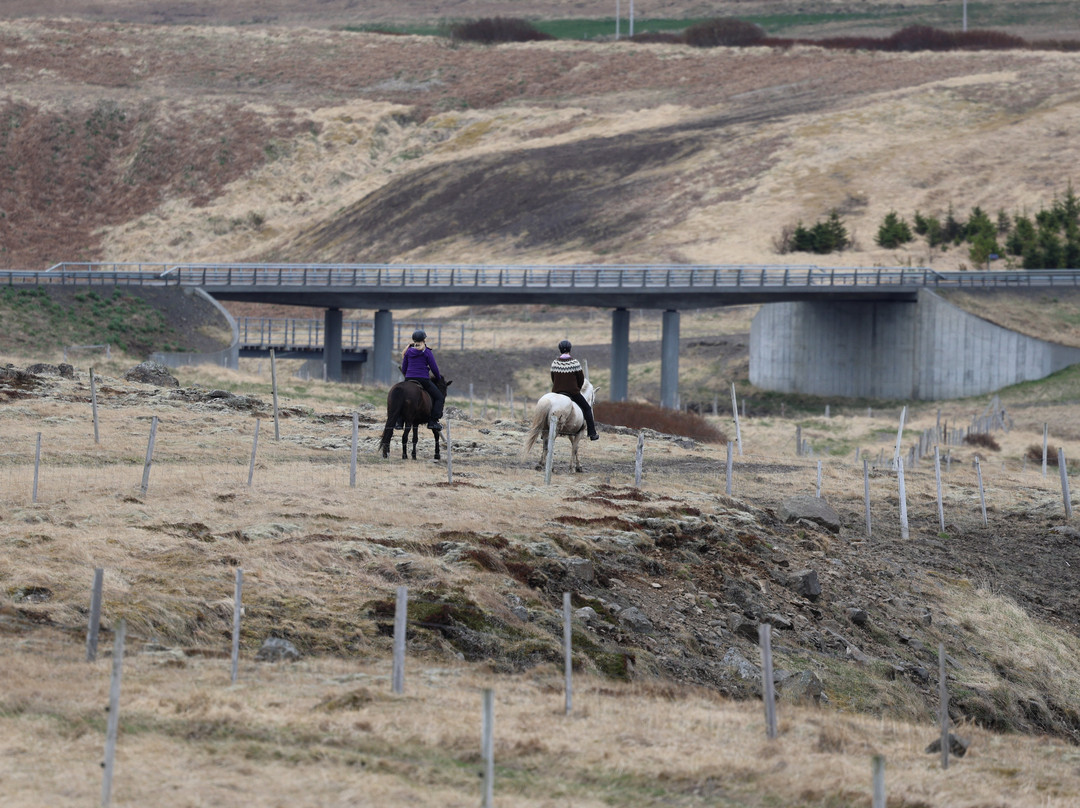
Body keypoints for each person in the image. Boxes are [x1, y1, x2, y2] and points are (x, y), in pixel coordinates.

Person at [550, 339, 599, 440]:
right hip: (572, 393)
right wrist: (577, 389)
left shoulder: (555, 363)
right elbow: (581, 379)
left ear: (560, 350)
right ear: (570, 349)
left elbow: (553, 378)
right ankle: (592, 433)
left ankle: (544, 432)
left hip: (557, 392)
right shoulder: (575, 363)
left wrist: (558, 387)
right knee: (587, 408)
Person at [400, 329, 445, 432]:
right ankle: (433, 421)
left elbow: (404, 369)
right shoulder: (427, 352)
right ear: (424, 340)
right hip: (423, 379)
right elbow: (434, 368)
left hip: (409, 379)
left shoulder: (408, 351)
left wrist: (408, 376)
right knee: (439, 397)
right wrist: (438, 378)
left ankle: (399, 420)